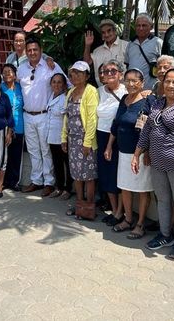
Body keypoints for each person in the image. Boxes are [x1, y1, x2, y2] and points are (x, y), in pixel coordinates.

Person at [134, 68, 174, 260]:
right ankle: (165, 235)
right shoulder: (158, 103)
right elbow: (147, 130)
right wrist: (137, 154)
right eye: (167, 81)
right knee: (162, 199)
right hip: (157, 162)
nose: (170, 85)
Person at [105, 69, 153, 238]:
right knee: (125, 187)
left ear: (142, 83)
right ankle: (128, 219)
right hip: (123, 152)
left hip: (140, 153)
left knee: (142, 189)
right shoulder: (124, 100)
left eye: (134, 81)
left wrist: (147, 152)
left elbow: (150, 129)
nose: (131, 84)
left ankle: (140, 224)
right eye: (128, 80)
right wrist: (109, 146)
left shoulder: (148, 101)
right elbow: (116, 125)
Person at [18, 37, 66, 197]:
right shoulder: (21, 68)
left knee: (46, 150)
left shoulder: (51, 66)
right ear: (26, 52)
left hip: (45, 115)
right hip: (27, 115)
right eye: (29, 50)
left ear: (41, 50)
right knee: (33, 150)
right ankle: (36, 180)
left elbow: (66, 84)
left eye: (35, 50)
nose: (32, 53)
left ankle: (49, 182)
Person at [61, 61, 99, 218]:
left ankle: (89, 207)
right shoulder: (71, 91)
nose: (75, 76)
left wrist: (87, 142)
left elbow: (92, 119)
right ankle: (79, 204)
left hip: (85, 140)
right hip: (72, 139)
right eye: (73, 73)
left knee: (88, 176)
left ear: (87, 76)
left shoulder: (91, 91)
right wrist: (64, 137)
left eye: (79, 73)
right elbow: (67, 116)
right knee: (76, 174)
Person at [96, 60, 127, 225]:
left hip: (117, 138)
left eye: (113, 71)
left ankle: (121, 212)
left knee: (118, 175)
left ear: (120, 74)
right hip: (101, 135)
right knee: (106, 174)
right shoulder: (98, 91)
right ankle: (114, 210)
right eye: (106, 71)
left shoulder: (126, 92)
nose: (109, 74)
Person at [46, 73, 72, 199]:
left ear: (64, 84)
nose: (56, 85)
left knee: (67, 163)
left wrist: (65, 137)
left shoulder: (65, 98)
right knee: (57, 163)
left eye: (59, 82)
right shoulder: (51, 96)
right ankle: (59, 187)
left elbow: (67, 118)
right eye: (54, 82)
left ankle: (68, 189)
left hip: (62, 136)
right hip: (52, 135)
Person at [83, 19, 129, 86]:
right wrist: (87, 45)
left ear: (115, 31)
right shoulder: (97, 51)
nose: (106, 34)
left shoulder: (126, 46)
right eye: (103, 32)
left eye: (109, 31)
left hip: (124, 89)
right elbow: (87, 62)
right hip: (103, 90)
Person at [124, 13, 163, 91]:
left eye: (144, 25)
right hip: (133, 90)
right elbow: (127, 65)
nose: (141, 28)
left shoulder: (158, 43)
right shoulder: (130, 44)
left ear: (151, 27)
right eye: (138, 25)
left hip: (151, 90)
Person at [1, 64, 24, 191]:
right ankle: (4, 181)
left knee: (16, 156)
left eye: (9, 71)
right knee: (4, 155)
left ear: (15, 75)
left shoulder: (21, 87)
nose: (7, 74)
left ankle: (14, 181)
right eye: (4, 72)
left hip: (19, 126)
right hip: (4, 127)